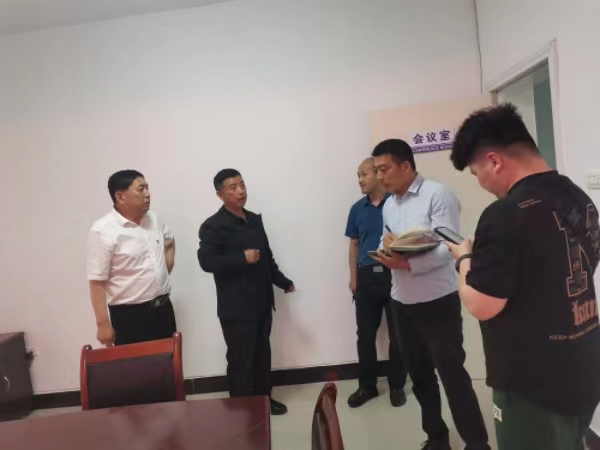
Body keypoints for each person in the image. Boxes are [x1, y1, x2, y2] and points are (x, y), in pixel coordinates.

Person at [447, 103, 600, 450]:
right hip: (584, 361)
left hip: (533, 384)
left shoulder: (504, 213)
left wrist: (465, 258)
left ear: (494, 161)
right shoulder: (578, 196)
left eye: (477, 173)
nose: (483, 184)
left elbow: (481, 304)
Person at [372, 139, 490, 450]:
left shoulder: (437, 195)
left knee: (452, 375)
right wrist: (386, 251)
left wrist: (405, 264)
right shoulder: (389, 204)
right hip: (402, 301)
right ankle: (437, 438)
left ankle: (477, 443)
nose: (379, 176)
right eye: (376, 170)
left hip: (437, 301)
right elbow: (390, 241)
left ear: (405, 166)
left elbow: (448, 247)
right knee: (420, 376)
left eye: (384, 169)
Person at [198, 168, 295, 416]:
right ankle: (241, 410)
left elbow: (267, 257)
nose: (241, 191)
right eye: (233, 187)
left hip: (261, 302)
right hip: (236, 307)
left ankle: (264, 400)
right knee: (241, 359)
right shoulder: (213, 226)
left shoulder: (253, 220)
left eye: (242, 185)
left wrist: (283, 282)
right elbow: (207, 262)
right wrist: (242, 258)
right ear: (220, 194)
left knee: (262, 355)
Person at [86, 170, 176, 346]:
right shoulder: (102, 231)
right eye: (141, 189)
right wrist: (102, 324)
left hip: (163, 309)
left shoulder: (153, 219)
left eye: (147, 188)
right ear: (120, 197)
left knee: (170, 360)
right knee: (138, 363)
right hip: (130, 317)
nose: (148, 194)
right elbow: (97, 282)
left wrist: (163, 271)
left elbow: (169, 241)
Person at [345, 157, 407, 408]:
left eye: (364, 174)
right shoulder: (357, 209)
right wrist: (353, 278)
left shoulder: (397, 203)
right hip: (366, 277)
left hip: (394, 275)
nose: (360, 180)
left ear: (378, 174)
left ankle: (397, 386)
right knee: (365, 336)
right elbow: (354, 244)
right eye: (358, 175)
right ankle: (367, 386)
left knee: (398, 334)